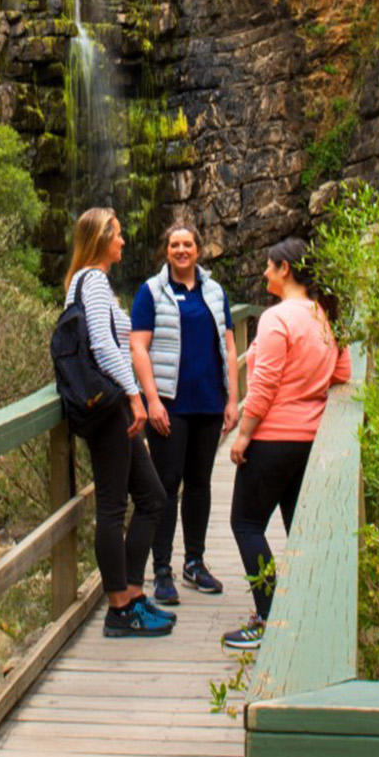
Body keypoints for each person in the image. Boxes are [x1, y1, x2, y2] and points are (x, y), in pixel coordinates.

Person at [221, 237, 349, 651]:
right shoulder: (322, 316)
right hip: (309, 439)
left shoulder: (277, 320)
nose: (263, 274)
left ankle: (268, 617)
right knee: (298, 528)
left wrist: (243, 436)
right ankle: (311, 616)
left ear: (285, 270)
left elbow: (264, 386)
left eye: (269, 267)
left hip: (273, 437)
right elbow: (342, 371)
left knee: (245, 524)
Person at [63, 206, 176, 638]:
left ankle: (132, 595)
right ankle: (119, 610)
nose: (124, 242)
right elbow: (107, 349)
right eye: (118, 235)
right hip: (109, 408)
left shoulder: (93, 283)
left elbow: (123, 334)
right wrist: (136, 397)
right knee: (112, 507)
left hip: (112, 408)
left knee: (151, 497)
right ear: (100, 239)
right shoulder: (91, 280)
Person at [128, 223, 238, 606]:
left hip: (208, 403)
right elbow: (138, 347)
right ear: (166, 251)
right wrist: (152, 400)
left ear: (198, 249)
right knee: (165, 486)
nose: (181, 250)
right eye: (174, 244)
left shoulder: (213, 291)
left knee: (200, 484)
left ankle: (195, 561)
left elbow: (227, 341)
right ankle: (162, 570)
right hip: (170, 408)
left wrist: (233, 399)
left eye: (187, 244)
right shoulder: (151, 292)